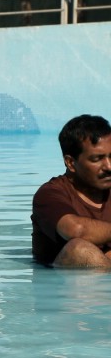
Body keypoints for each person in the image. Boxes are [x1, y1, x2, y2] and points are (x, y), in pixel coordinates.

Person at [31, 114, 111, 268]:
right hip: (59, 285)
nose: (109, 167)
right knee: (79, 250)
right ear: (70, 163)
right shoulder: (49, 194)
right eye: (97, 159)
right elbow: (76, 230)